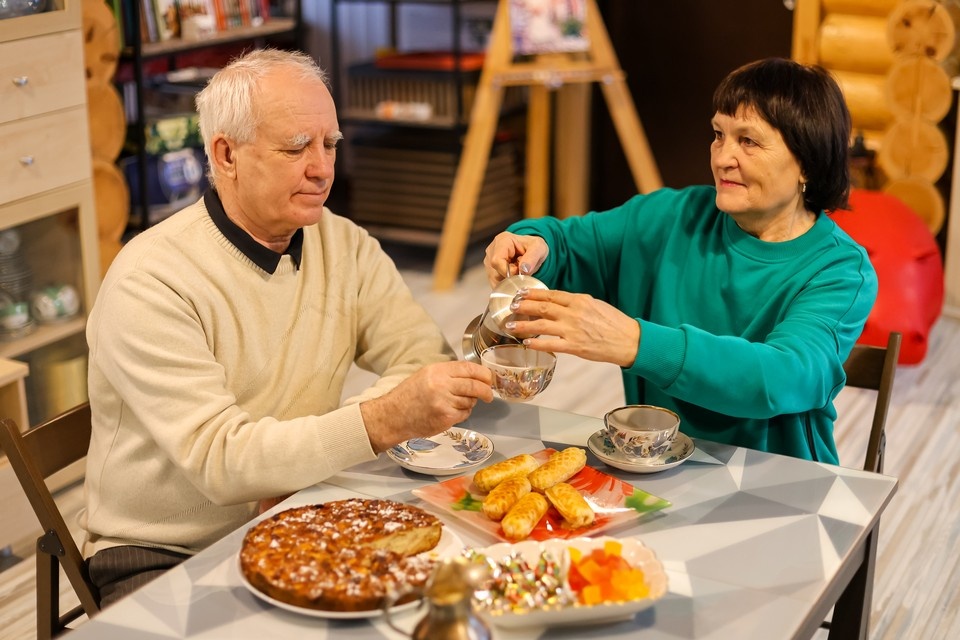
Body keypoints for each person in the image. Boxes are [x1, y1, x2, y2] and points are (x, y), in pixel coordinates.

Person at [80, 48, 493, 605]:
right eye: (297, 147)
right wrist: (379, 419)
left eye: (330, 144)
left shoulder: (340, 241)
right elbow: (223, 463)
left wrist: (299, 465)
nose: (322, 169)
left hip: (303, 508)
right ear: (226, 154)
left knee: (457, 588)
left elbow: (422, 353)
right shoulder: (151, 280)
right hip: (169, 548)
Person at [483, 57, 877, 465]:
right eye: (719, 135)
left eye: (748, 141)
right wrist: (531, 243)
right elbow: (570, 244)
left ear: (808, 163)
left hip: (777, 478)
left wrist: (636, 343)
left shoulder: (839, 270)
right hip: (653, 461)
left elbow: (784, 376)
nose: (722, 158)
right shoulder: (673, 215)